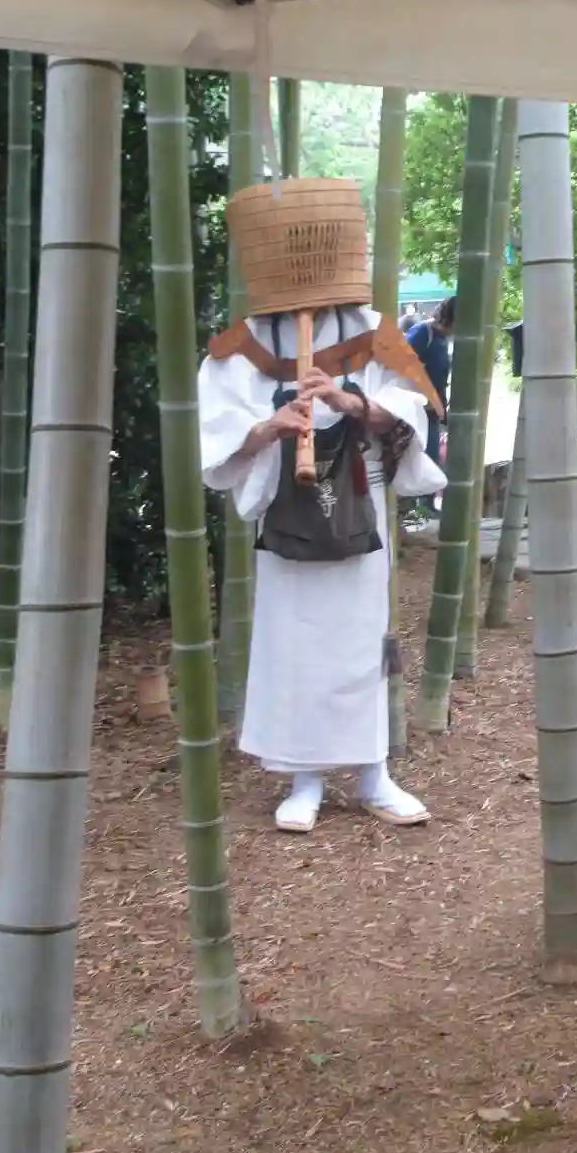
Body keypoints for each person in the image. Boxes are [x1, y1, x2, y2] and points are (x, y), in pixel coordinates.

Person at [198, 259, 446, 835]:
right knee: (295, 646)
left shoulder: (373, 330)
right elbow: (216, 432)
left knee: (362, 642)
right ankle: (304, 780)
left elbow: (412, 408)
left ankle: (373, 775)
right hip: (287, 506)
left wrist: (349, 401)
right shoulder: (247, 343)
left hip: (359, 501)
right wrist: (269, 427)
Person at [406, 296, 456, 464]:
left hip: (433, 413)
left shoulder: (442, 338)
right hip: (418, 412)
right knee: (422, 463)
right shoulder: (422, 333)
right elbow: (399, 367)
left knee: (431, 462)